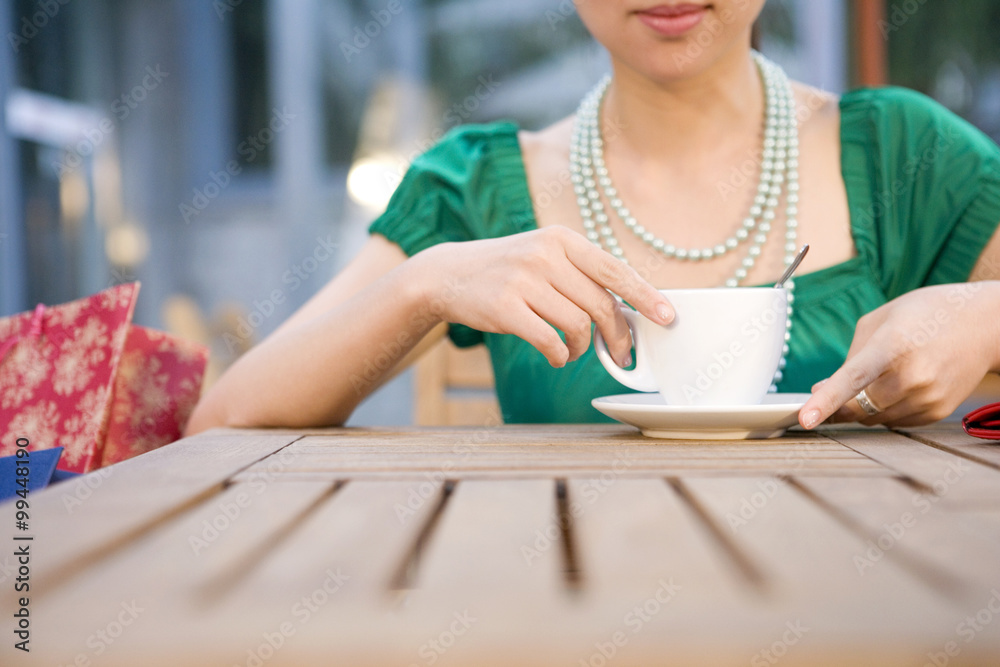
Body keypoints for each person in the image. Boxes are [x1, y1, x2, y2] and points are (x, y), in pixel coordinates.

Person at [186, 0, 1000, 435]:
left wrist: (986, 316)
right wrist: (424, 284)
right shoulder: (473, 188)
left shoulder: (906, 153)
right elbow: (223, 418)